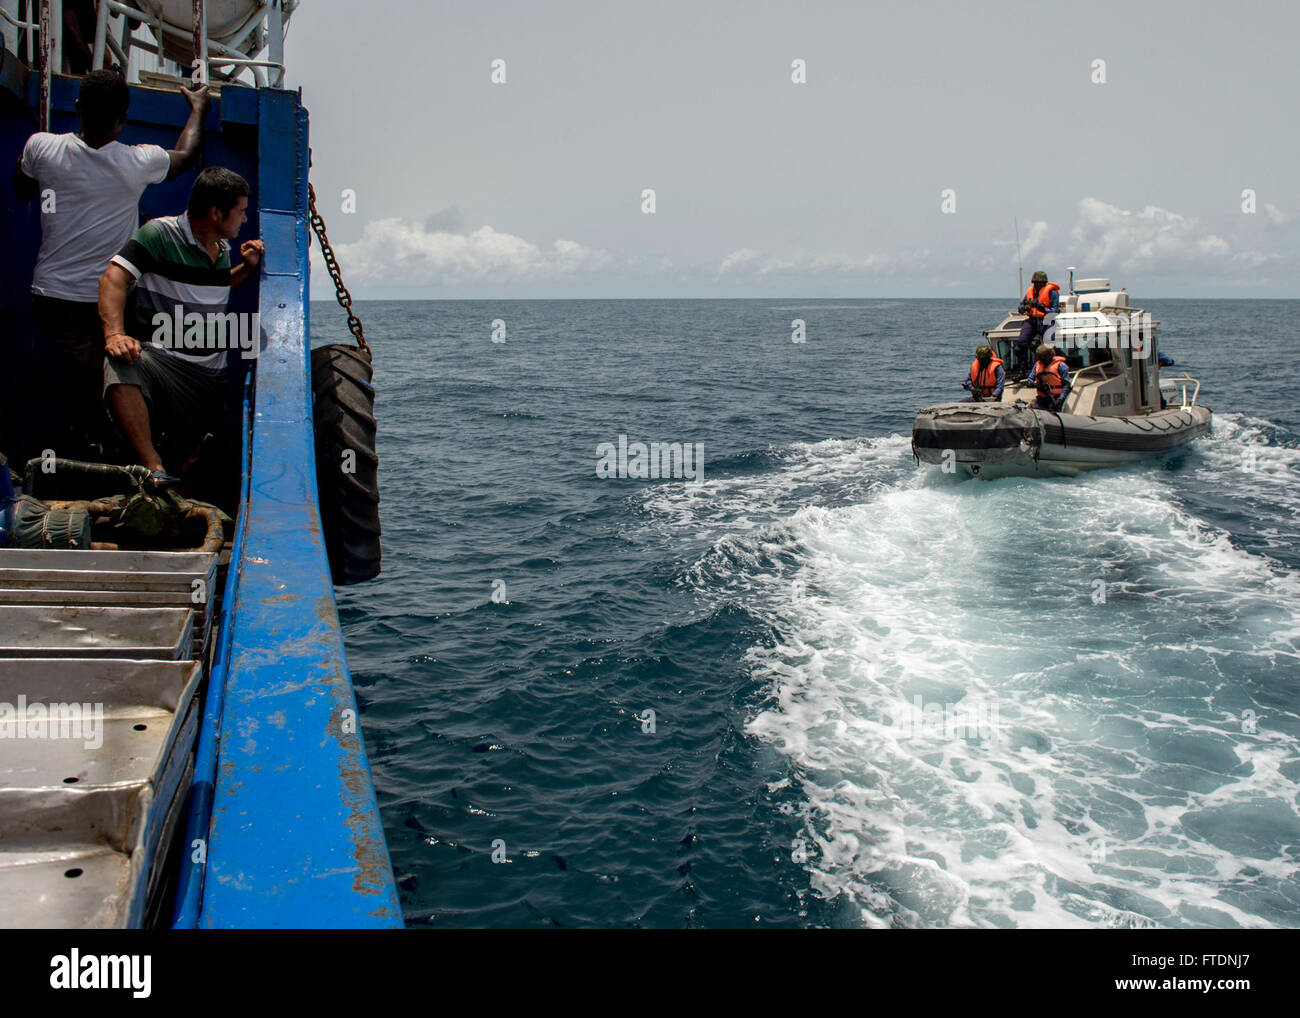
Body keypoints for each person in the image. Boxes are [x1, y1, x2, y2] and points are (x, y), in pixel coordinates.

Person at [13, 68, 210, 458]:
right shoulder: (137, 162)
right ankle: (128, 452)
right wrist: (199, 108)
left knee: (85, 382)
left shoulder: (41, 147)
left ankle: (88, 444)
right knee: (121, 375)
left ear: (77, 108)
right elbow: (186, 157)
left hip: (51, 300)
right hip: (111, 305)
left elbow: (21, 189)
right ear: (123, 120)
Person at [99, 167, 264, 485]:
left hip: (211, 379)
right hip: (166, 366)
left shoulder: (222, 250)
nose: (244, 220)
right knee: (120, 364)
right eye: (241, 212)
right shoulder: (159, 234)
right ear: (216, 212)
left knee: (196, 463)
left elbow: (212, 288)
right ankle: (153, 468)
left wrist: (247, 268)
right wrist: (115, 334)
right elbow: (113, 278)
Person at [1014, 270, 1059, 376]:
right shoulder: (1030, 291)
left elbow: (1055, 311)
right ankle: (1022, 370)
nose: (1037, 284)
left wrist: (1043, 309)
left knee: (1049, 347)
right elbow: (1020, 307)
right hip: (1033, 320)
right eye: (1035, 282)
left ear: (1044, 283)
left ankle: (1052, 370)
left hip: (1047, 320)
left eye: (1040, 282)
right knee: (1020, 344)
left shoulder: (1052, 293)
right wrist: (1024, 307)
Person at [1027, 344, 1069, 410]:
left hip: (1055, 398)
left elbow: (1066, 385)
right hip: (1041, 398)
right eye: (1040, 359)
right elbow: (1030, 380)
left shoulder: (1061, 366)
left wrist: (1061, 398)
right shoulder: (1037, 364)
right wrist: (1037, 385)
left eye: (1044, 359)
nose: (1042, 361)